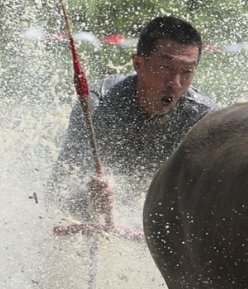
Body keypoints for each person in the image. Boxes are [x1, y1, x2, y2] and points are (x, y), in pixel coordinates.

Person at [48, 16, 216, 222]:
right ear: (139, 64)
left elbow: (209, 198)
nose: (175, 82)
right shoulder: (98, 106)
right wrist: (88, 195)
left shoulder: (202, 119)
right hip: (92, 222)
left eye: (186, 72)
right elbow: (59, 188)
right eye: (166, 68)